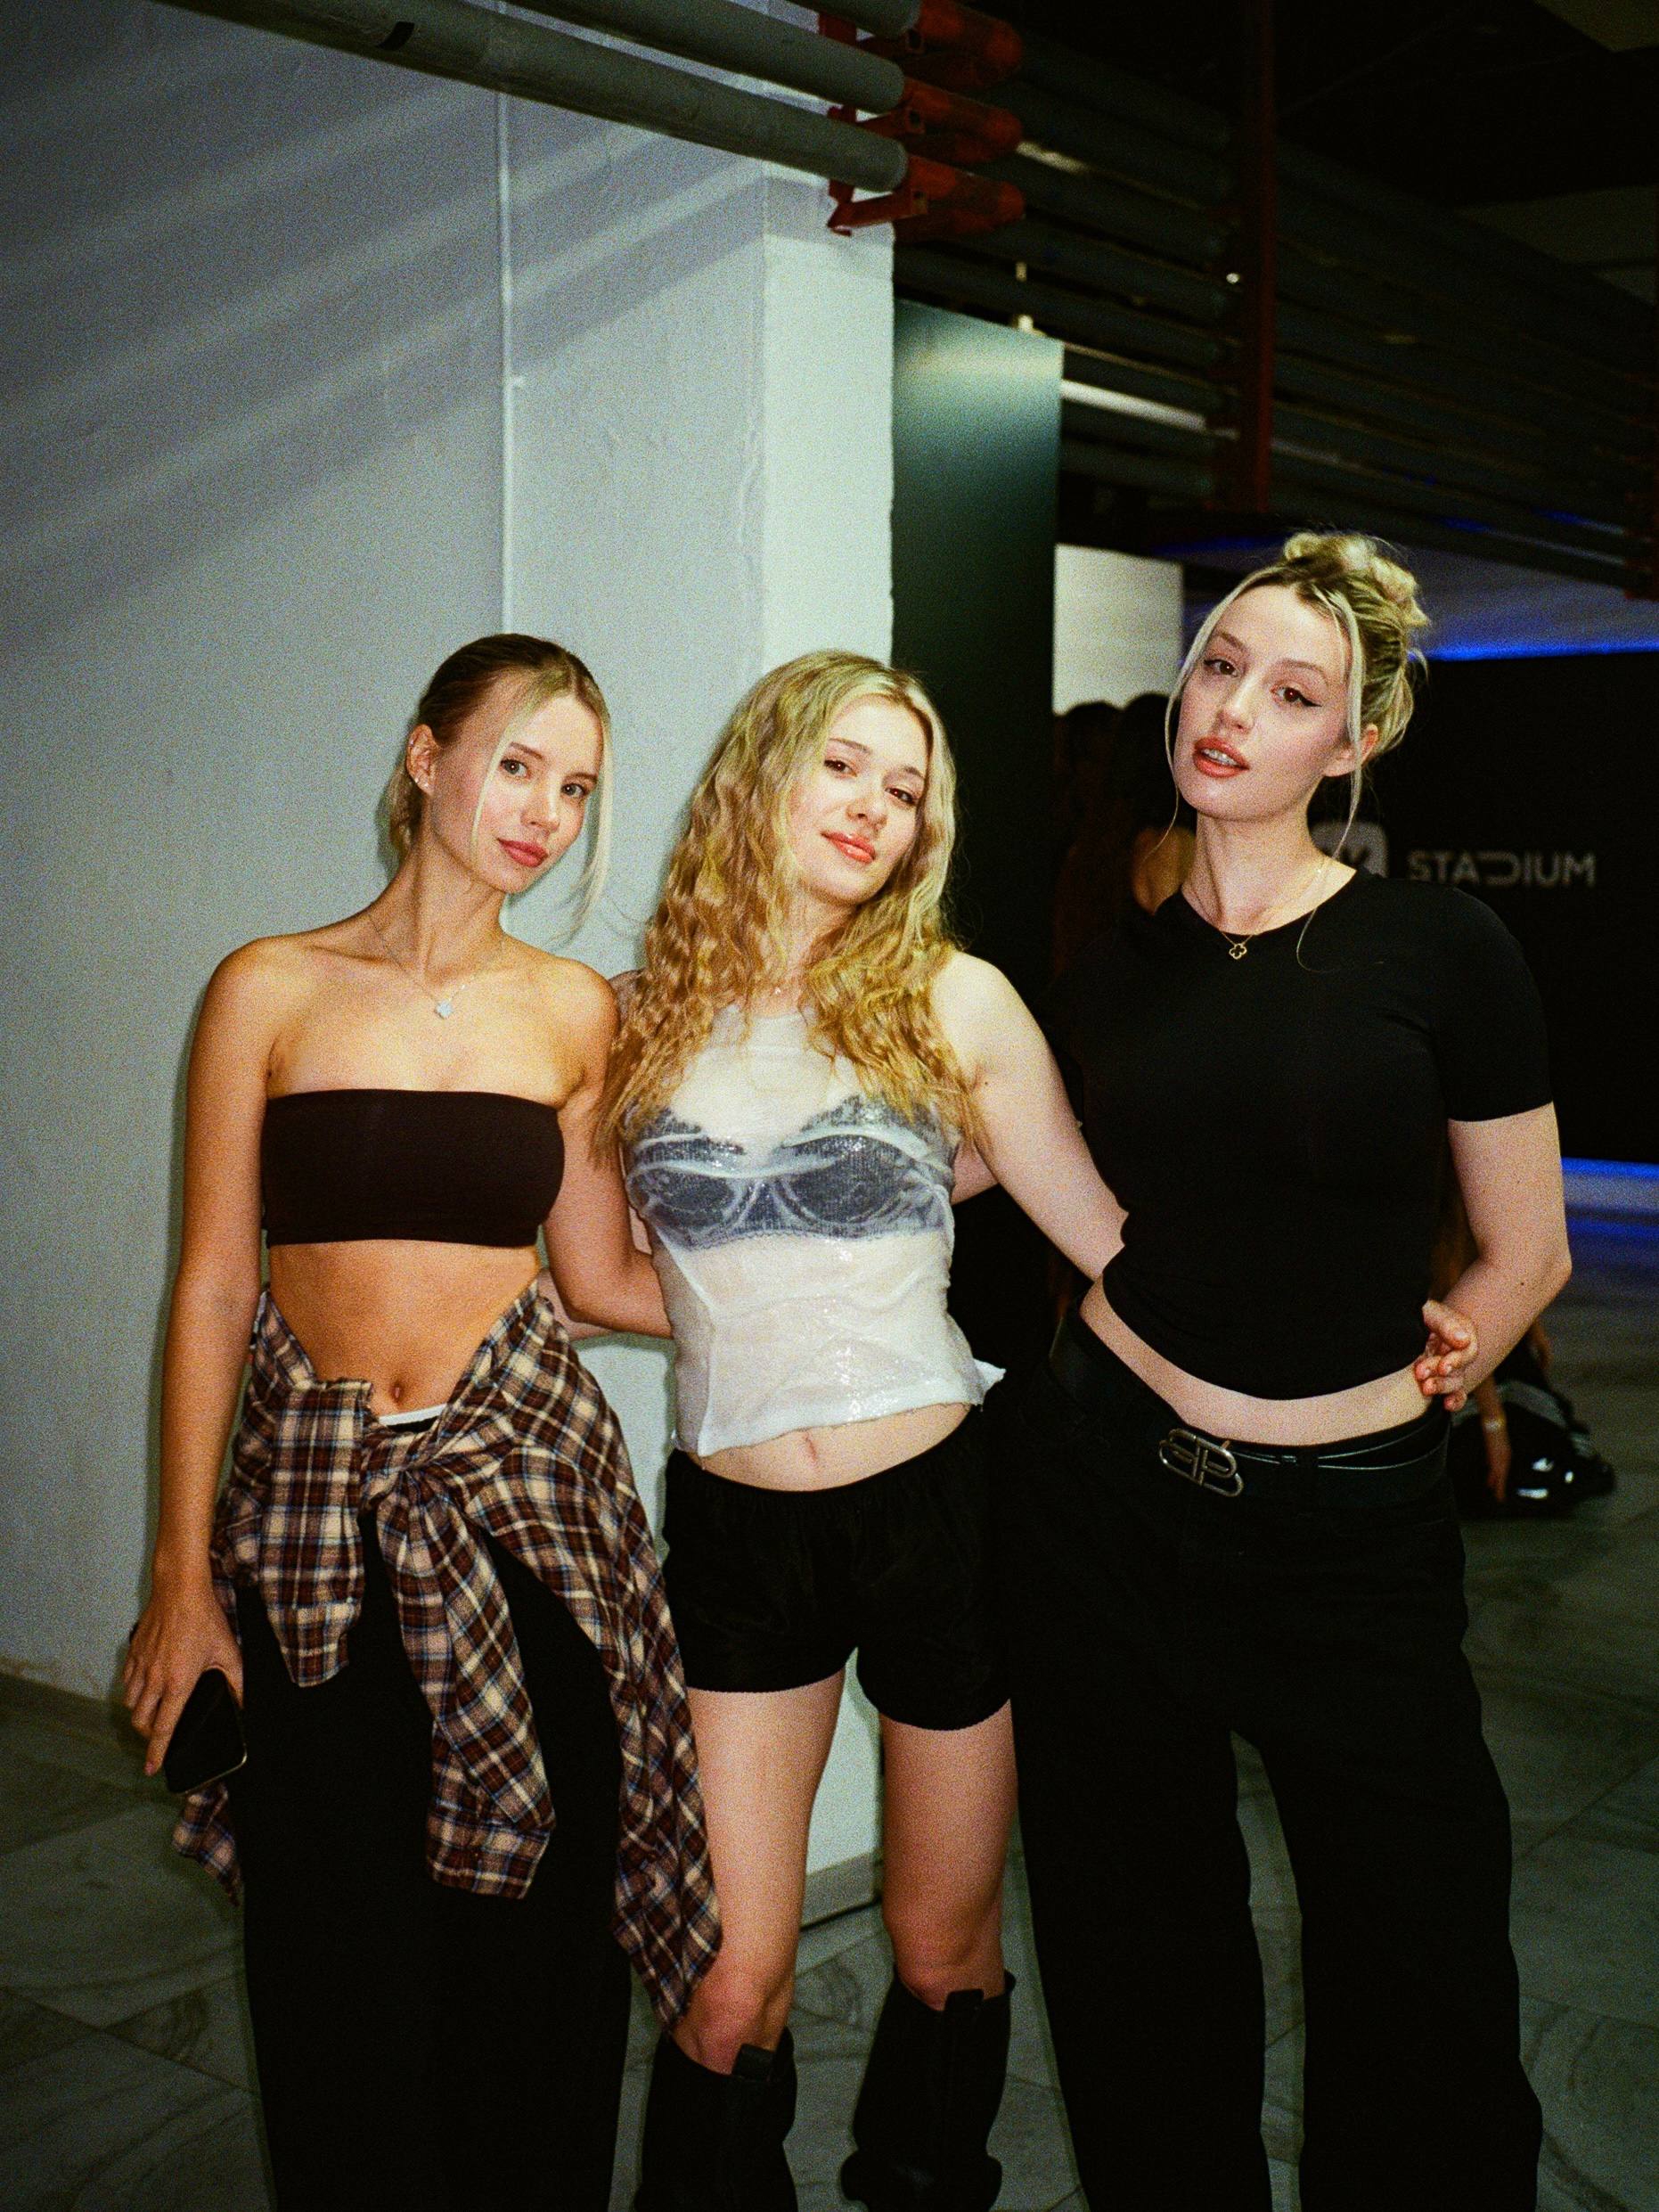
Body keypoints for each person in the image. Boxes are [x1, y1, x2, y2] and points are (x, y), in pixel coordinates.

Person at [122, 635, 718, 2211]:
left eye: (576, 789)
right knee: (333, 1953)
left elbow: (599, 1277)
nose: (544, 814)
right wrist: (181, 1578)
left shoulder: (573, 1010)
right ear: (424, 756)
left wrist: (836, 1281)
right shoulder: (268, 987)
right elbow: (211, 1286)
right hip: (313, 1535)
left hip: (531, 1518)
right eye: (517, 765)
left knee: (540, 1956)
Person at [1005, 532, 1564, 2212]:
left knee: (1422, 1968)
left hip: (1349, 1537)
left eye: (1291, 690)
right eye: (1220, 664)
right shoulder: (1107, 966)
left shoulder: (1438, 945)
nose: (1232, 707)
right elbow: (1007, 1167)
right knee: (1134, 1961)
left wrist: (1463, 1344)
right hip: (1110, 1505)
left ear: (1353, 741)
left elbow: (1525, 1243)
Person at [600, 650, 1124, 2212]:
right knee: (725, 1979)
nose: (871, 808)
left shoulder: (952, 999)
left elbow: (1106, 1239)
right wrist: (770, 1292)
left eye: (904, 791)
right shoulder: (632, 1019)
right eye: (842, 765)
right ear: (759, 771)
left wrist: (1323, 1335)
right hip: (735, 1531)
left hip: (940, 1514)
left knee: (939, 1941)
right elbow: (601, 1276)